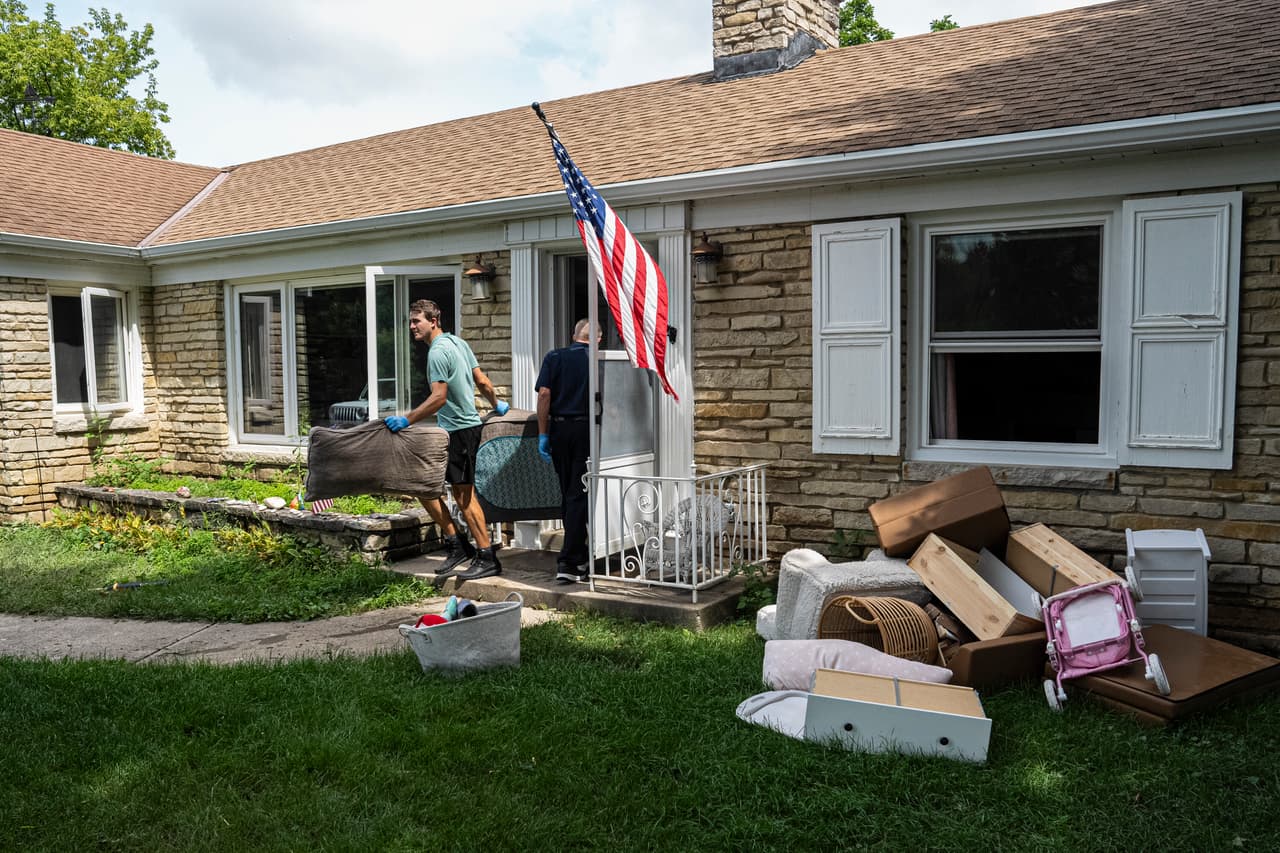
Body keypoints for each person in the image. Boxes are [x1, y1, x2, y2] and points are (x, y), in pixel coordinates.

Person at [385, 299, 509, 580]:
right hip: (451, 432)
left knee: (464, 497)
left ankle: (486, 556)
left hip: (460, 432)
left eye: (416, 321)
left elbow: (439, 398)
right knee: (423, 485)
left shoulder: (438, 352)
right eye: (410, 321)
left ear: (433, 321)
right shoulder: (459, 343)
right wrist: (496, 403)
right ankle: (457, 544)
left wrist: (406, 419)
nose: (412, 326)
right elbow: (482, 381)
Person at [535, 318, 597, 584]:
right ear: (598, 339)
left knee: (569, 493)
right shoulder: (598, 360)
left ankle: (576, 556)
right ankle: (571, 562)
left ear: (574, 335)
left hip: (560, 430)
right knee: (578, 494)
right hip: (588, 431)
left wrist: (543, 433)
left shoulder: (554, 357)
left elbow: (544, 394)